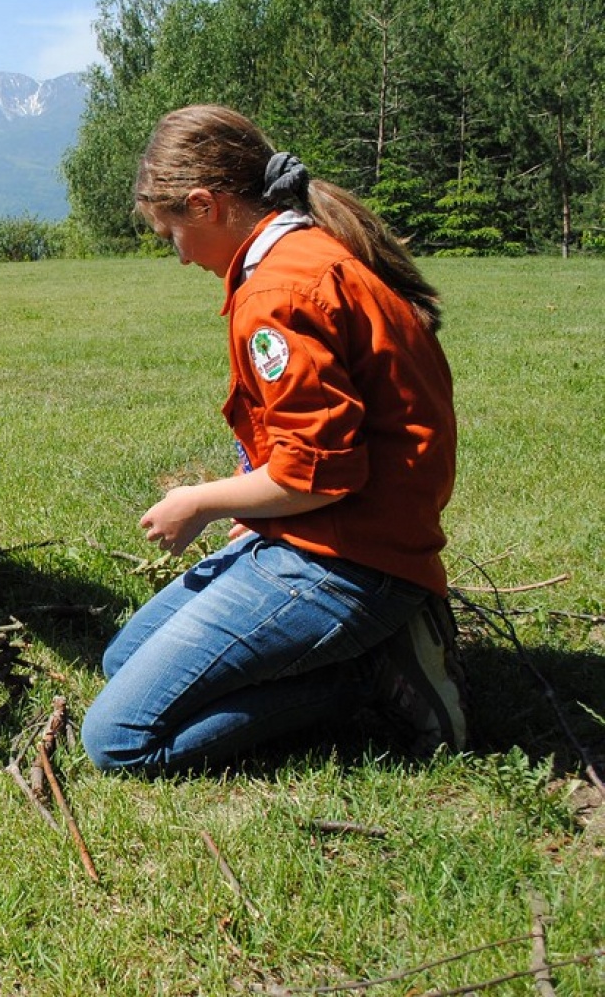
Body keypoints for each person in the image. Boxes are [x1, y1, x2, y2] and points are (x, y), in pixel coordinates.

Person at [80, 105, 465, 776]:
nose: (177, 255)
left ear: (205, 204)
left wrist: (202, 502)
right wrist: (255, 511)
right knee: (122, 661)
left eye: (171, 232)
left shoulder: (280, 290)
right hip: (330, 538)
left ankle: (368, 673)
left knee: (118, 738)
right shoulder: (303, 251)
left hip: (349, 562)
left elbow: (320, 473)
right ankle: (350, 651)